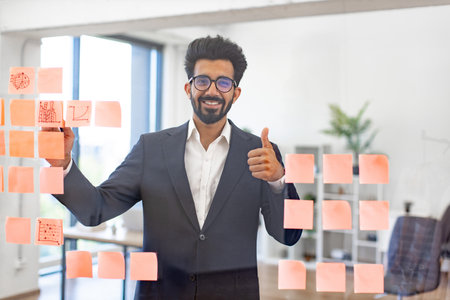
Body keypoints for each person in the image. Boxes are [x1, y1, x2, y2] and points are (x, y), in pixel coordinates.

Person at [46, 35, 301, 300]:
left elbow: (289, 235)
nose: (212, 91)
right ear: (188, 89)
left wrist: (278, 180)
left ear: (235, 94)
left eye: (223, 83)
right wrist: (62, 164)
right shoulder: (151, 148)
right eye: (202, 81)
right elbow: (94, 210)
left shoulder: (261, 154)